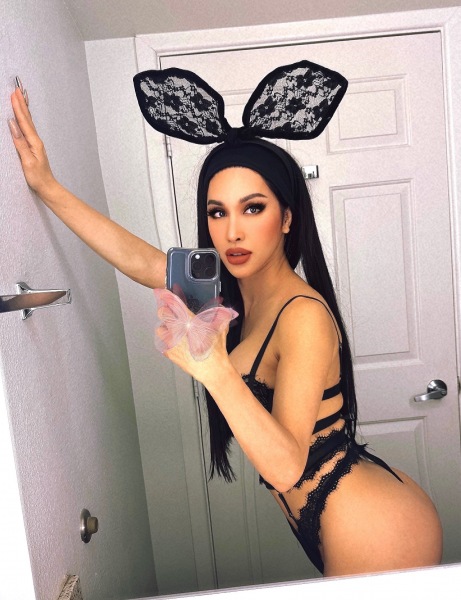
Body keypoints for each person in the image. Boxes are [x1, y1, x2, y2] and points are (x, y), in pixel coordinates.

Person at [9, 62, 442, 577]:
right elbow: (141, 261)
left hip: (375, 530)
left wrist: (213, 368)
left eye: (252, 208)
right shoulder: (232, 293)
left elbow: (286, 468)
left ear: (287, 217)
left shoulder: (302, 316)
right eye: (217, 212)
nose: (232, 231)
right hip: (332, 516)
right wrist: (48, 187)